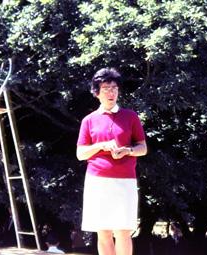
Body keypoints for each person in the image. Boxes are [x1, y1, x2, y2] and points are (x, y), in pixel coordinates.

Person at [76, 68, 147, 255]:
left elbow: (143, 148)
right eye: (106, 88)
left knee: (124, 231)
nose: (111, 92)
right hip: (97, 181)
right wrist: (100, 146)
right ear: (96, 92)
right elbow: (81, 153)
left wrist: (128, 150)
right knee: (104, 232)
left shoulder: (130, 116)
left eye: (114, 87)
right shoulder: (88, 120)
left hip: (126, 181)